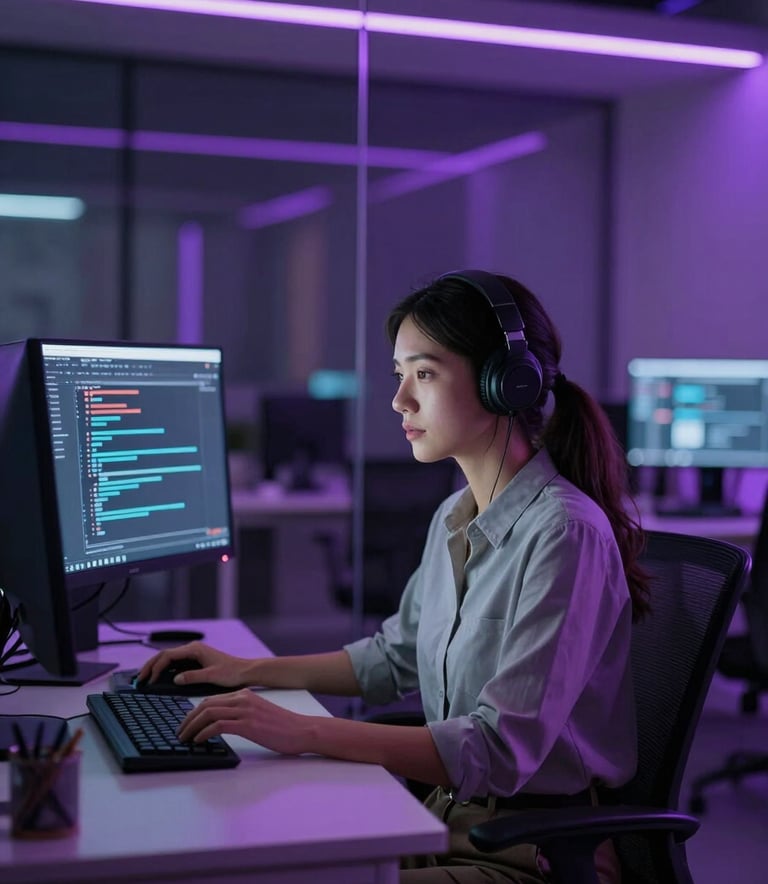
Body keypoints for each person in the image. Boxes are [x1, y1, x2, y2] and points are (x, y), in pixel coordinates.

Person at [139, 269, 649, 883]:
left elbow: (500, 751)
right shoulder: (455, 517)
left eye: (425, 374)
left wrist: (305, 731)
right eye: (399, 375)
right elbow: (392, 657)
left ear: (505, 384)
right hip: (446, 820)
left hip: (531, 852)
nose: (399, 400)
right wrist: (243, 671)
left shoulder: (565, 535)